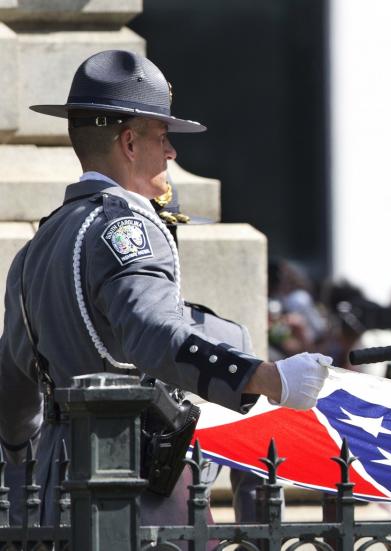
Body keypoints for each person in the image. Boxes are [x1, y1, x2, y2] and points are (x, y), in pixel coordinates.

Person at [0, 50, 331, 527]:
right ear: (130, 143)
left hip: (55, 488)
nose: (172, 153)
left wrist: (22, 485)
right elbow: (152, 334)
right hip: (131, 487)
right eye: (163, 137)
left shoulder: (37, 246)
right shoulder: (128, 226)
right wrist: (267, 378)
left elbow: (13, 396)